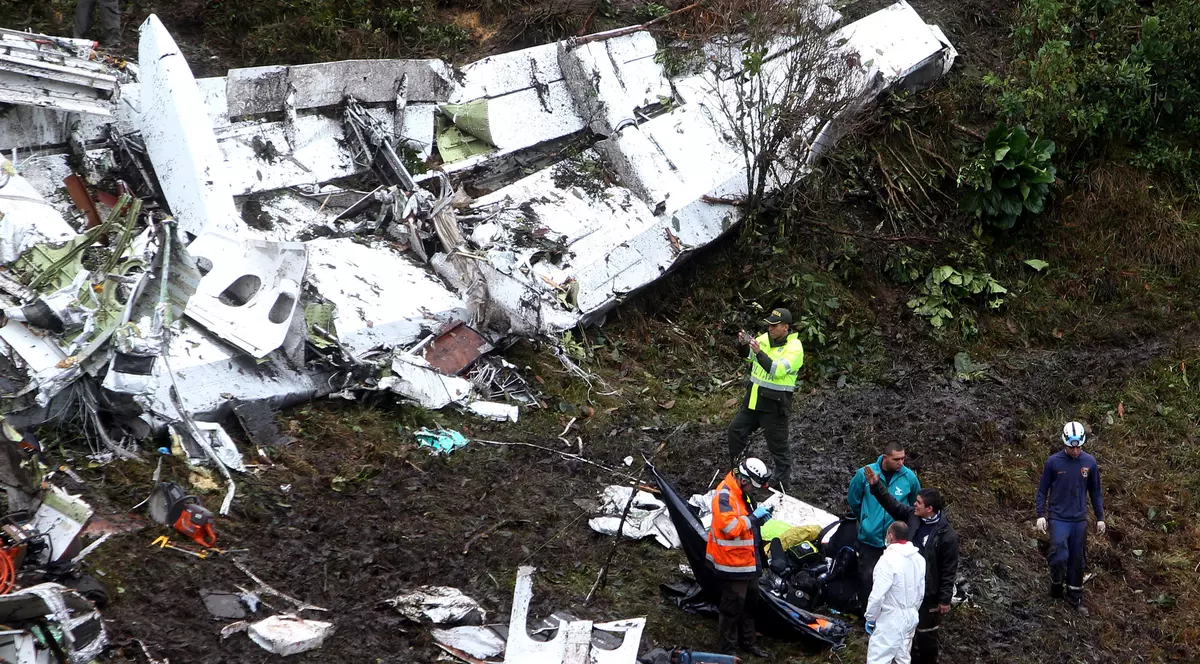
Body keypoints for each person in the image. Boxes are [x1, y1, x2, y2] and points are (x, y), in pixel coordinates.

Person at [865, 467, 959, 664]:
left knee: (925, 639)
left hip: (929, 594)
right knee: (905, 644)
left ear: (930, 509)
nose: (913, 504)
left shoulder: (947, 536)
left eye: (918, 503)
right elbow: (892, 504)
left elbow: (949, 569)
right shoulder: (913, 517)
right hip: (906, 589)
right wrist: (876, 485)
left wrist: (944, 599)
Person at [726, 308, 805, 490]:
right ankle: (739, 472)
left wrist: (759, 352)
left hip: (775, 407)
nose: (770, 328)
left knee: (779, 450)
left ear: (786, 327)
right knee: (735, 431)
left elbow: (775, 370)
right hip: (753, 401)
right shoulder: (764, 339)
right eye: (769, 325)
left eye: (775, 326)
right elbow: (747, 357)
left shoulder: (795, 348)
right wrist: (744, 345)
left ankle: (781, 488)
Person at [707, 457, 773, 658]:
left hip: (748, 561)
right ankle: (728, 651)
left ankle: (748, 642)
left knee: (750, 603)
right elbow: (730, 528)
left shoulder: (742, 494)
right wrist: (753, 518)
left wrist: (757, 521)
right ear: (744, 479)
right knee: (732, 608)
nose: (754, 490)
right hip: (731, 563)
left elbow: (745, 522)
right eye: (753, 486)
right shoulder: (724, 496)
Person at [1036, 421, 1104, 615]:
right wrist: (1041, 515)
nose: (1075, 452)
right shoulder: (1053, 462)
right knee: (1058, 555)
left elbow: (1096, 491)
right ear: (1065, 444)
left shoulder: (1089, 462)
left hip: (1079, 519)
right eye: (1070, 448)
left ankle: (1075, 597)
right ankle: (1056, 585)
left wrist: (1100, 517)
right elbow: (1042, 491)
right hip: (1058, 518)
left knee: (1077, 559)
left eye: (1078, 448)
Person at [848, 443, 920, 609]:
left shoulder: (909, 478)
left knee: (893, 581)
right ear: (885, 457)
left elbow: (913, 507)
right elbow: (854, 500)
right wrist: (866, 520)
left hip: (895, 544)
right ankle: (866, 616)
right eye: (896, 459)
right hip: (870, 539)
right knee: (867, 578)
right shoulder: (864, 475)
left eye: (903, 458)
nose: (901, 462)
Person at [864, 521, 925, 664]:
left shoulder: (887, 560)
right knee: (902, 658)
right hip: (911, 615)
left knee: (878, 658)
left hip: (892, 618)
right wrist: (914, 610)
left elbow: (878, 595)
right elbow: (921, 590)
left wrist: (871, 617)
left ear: (891, 536)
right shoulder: (919, 559)